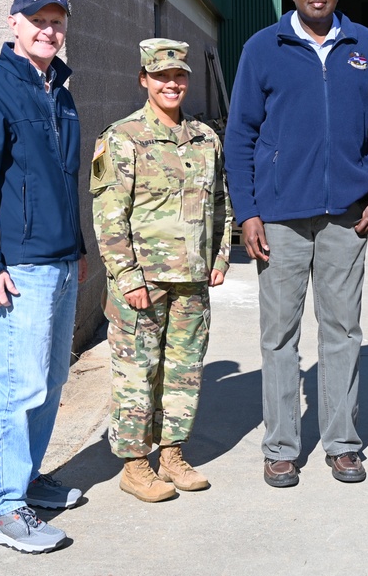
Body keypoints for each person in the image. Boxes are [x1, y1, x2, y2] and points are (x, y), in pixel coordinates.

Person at [224, 0, 368, 488]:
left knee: (343, 331)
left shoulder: (367, 48)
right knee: (279, 335)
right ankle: (280, 447)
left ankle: (343, 443)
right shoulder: (263, 49)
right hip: (279, 220)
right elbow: (241, 135)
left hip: (348, 218)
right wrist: (248, 211)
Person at [0, 0, 86, 554]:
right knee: (16, 385)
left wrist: (76, 250)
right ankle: (1, 508)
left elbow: (61, 183)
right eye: (37, 20)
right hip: (20, 267)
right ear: (13, 24)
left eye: (56, 21)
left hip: (59, 261)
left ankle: (26, 479)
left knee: (50, 382)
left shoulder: (59, 92)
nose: (48, 30)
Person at [91, 38, 233, 502]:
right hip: (144, 282)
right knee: (137, 373)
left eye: (179, 76)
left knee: (184, 371)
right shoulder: (123, 137)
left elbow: (219, 202)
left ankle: (171, 455)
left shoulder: (205, 136)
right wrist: (127, 278)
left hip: (192, 278)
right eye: (161, 76)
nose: (171, 83)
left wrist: (219, 256)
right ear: (144, 80)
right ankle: (135, 466)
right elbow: (109, 216)